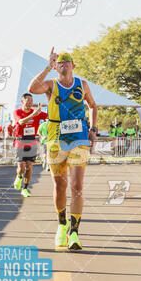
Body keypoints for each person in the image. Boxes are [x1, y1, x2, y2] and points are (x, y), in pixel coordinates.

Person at [28, 48, 97, 251]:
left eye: (67, 61)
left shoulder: (82, 85)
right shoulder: (51, 84)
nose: (63, 63)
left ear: (73, 65)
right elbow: (32, 88)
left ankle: (74, 232)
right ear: (56, 66)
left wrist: (93, 128)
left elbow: (93, 105)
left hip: (79, 138)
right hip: (56, 138)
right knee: (60, 185)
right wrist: (46, 66)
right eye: (59, 62)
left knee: (77, 186)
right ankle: (61, 224)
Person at [13, 93, 47, 197]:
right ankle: (19, 177)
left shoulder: (36, 112)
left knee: (29, 167)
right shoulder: (17, 112)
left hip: (32, 141)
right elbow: (21, 122)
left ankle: (25, 188)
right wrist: (33, 115)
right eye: (28, 102)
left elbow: (50, 117)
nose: (30, 104)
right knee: (21, 167)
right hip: (20, 141)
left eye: (31, 102)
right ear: (22, 101)